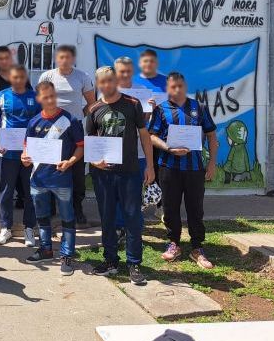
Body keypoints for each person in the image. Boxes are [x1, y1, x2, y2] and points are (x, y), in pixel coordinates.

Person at [86, 66, 155, 285]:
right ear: (98, 84)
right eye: (102, 82)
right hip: (103, 175)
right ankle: (111, 261)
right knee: (107, 218)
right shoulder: (94, 109)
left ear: (116, 81)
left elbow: (144, 137)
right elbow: (91, 142)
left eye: (110, 80)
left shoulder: (133, 104)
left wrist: (150, 166)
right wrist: (94, 160)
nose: (106, 85)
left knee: (132, 218)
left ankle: (134, 263)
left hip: (130, 173)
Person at [148, 72, 219, 269]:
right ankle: (174, 243)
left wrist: (212, 163)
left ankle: (197, 247)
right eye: (173, 86)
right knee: (170, 207)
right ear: (168, 88)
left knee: (195, 207)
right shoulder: (161, 110)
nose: (177, 89)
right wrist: (168, 148)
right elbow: (151, 136)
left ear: (185, 86)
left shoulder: (199, 108)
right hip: (169, 167)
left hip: (195, 168)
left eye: (180, 85)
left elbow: (212, 136)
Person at [21, 81, 84, 276]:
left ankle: (67, 254)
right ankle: (46, 249)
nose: (50, 100)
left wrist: (70, 162)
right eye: (45, 97)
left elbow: (81, 146)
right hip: (38, 179)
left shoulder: (70, 120)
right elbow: (26, 150)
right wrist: (24, 158)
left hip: (62, 178)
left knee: (67, 217)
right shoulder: (33, 122)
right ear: (39, 98)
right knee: (42, 217)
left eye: (52, 96)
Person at [38, 45, 96, 226]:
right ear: (57, 58)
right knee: (50, 169)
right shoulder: (47, 76)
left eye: (68, 57)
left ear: (73, 59)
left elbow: (92, 103)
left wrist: (77, 117)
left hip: (74, 130)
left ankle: (77, 209)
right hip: (51, 129)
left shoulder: (82, 77)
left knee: (77, 174)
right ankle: (52, 208)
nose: (64, 60)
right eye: (61, 57)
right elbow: (41, 101)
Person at [0, 65, 40, 246]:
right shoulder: (1, 96)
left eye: (22, 77)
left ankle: (29, 228)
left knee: (30, 193)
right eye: (15, 77)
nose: (18, 80)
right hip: (6, 154)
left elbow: (39, 124)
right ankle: (6, 228)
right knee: (5, 192)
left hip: (29, 155)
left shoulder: (35, 97)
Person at [113, 56, 152, 241]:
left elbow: (145, 125)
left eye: (128, 71)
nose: (125, 74)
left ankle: (135, 228)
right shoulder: (108, 91)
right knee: (118, 193)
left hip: (137, 151)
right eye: (121, 71)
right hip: (115, 151)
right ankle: (120, 228)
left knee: (135, 192)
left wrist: (149, 112)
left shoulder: (142, 91)